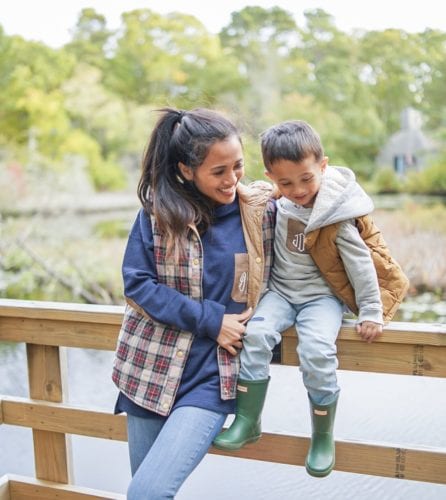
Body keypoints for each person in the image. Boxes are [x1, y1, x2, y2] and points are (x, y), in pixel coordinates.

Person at [213, 119, 409, 477]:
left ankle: (322, 436)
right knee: (254, 335)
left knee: (317, 350)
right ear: (272, 177)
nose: (298, 189)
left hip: (321, 299)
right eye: (285, 182)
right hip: (281, 294)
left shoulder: (336, 216)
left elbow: (361, 265)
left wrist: (371, 310)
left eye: (306, 179)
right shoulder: (278, 201)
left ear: (323, 166)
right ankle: (247, 420)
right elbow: (247, 195)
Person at [111, 107, 275, 499]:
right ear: (186, 170)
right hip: (150, 369)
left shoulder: (260, 211)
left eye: (237, 166)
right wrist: (212, 320)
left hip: (213, 378)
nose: (232, 179)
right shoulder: (156, 215)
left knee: (146, 493)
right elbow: (138, 284)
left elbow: (317, 191)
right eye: (218, 172)